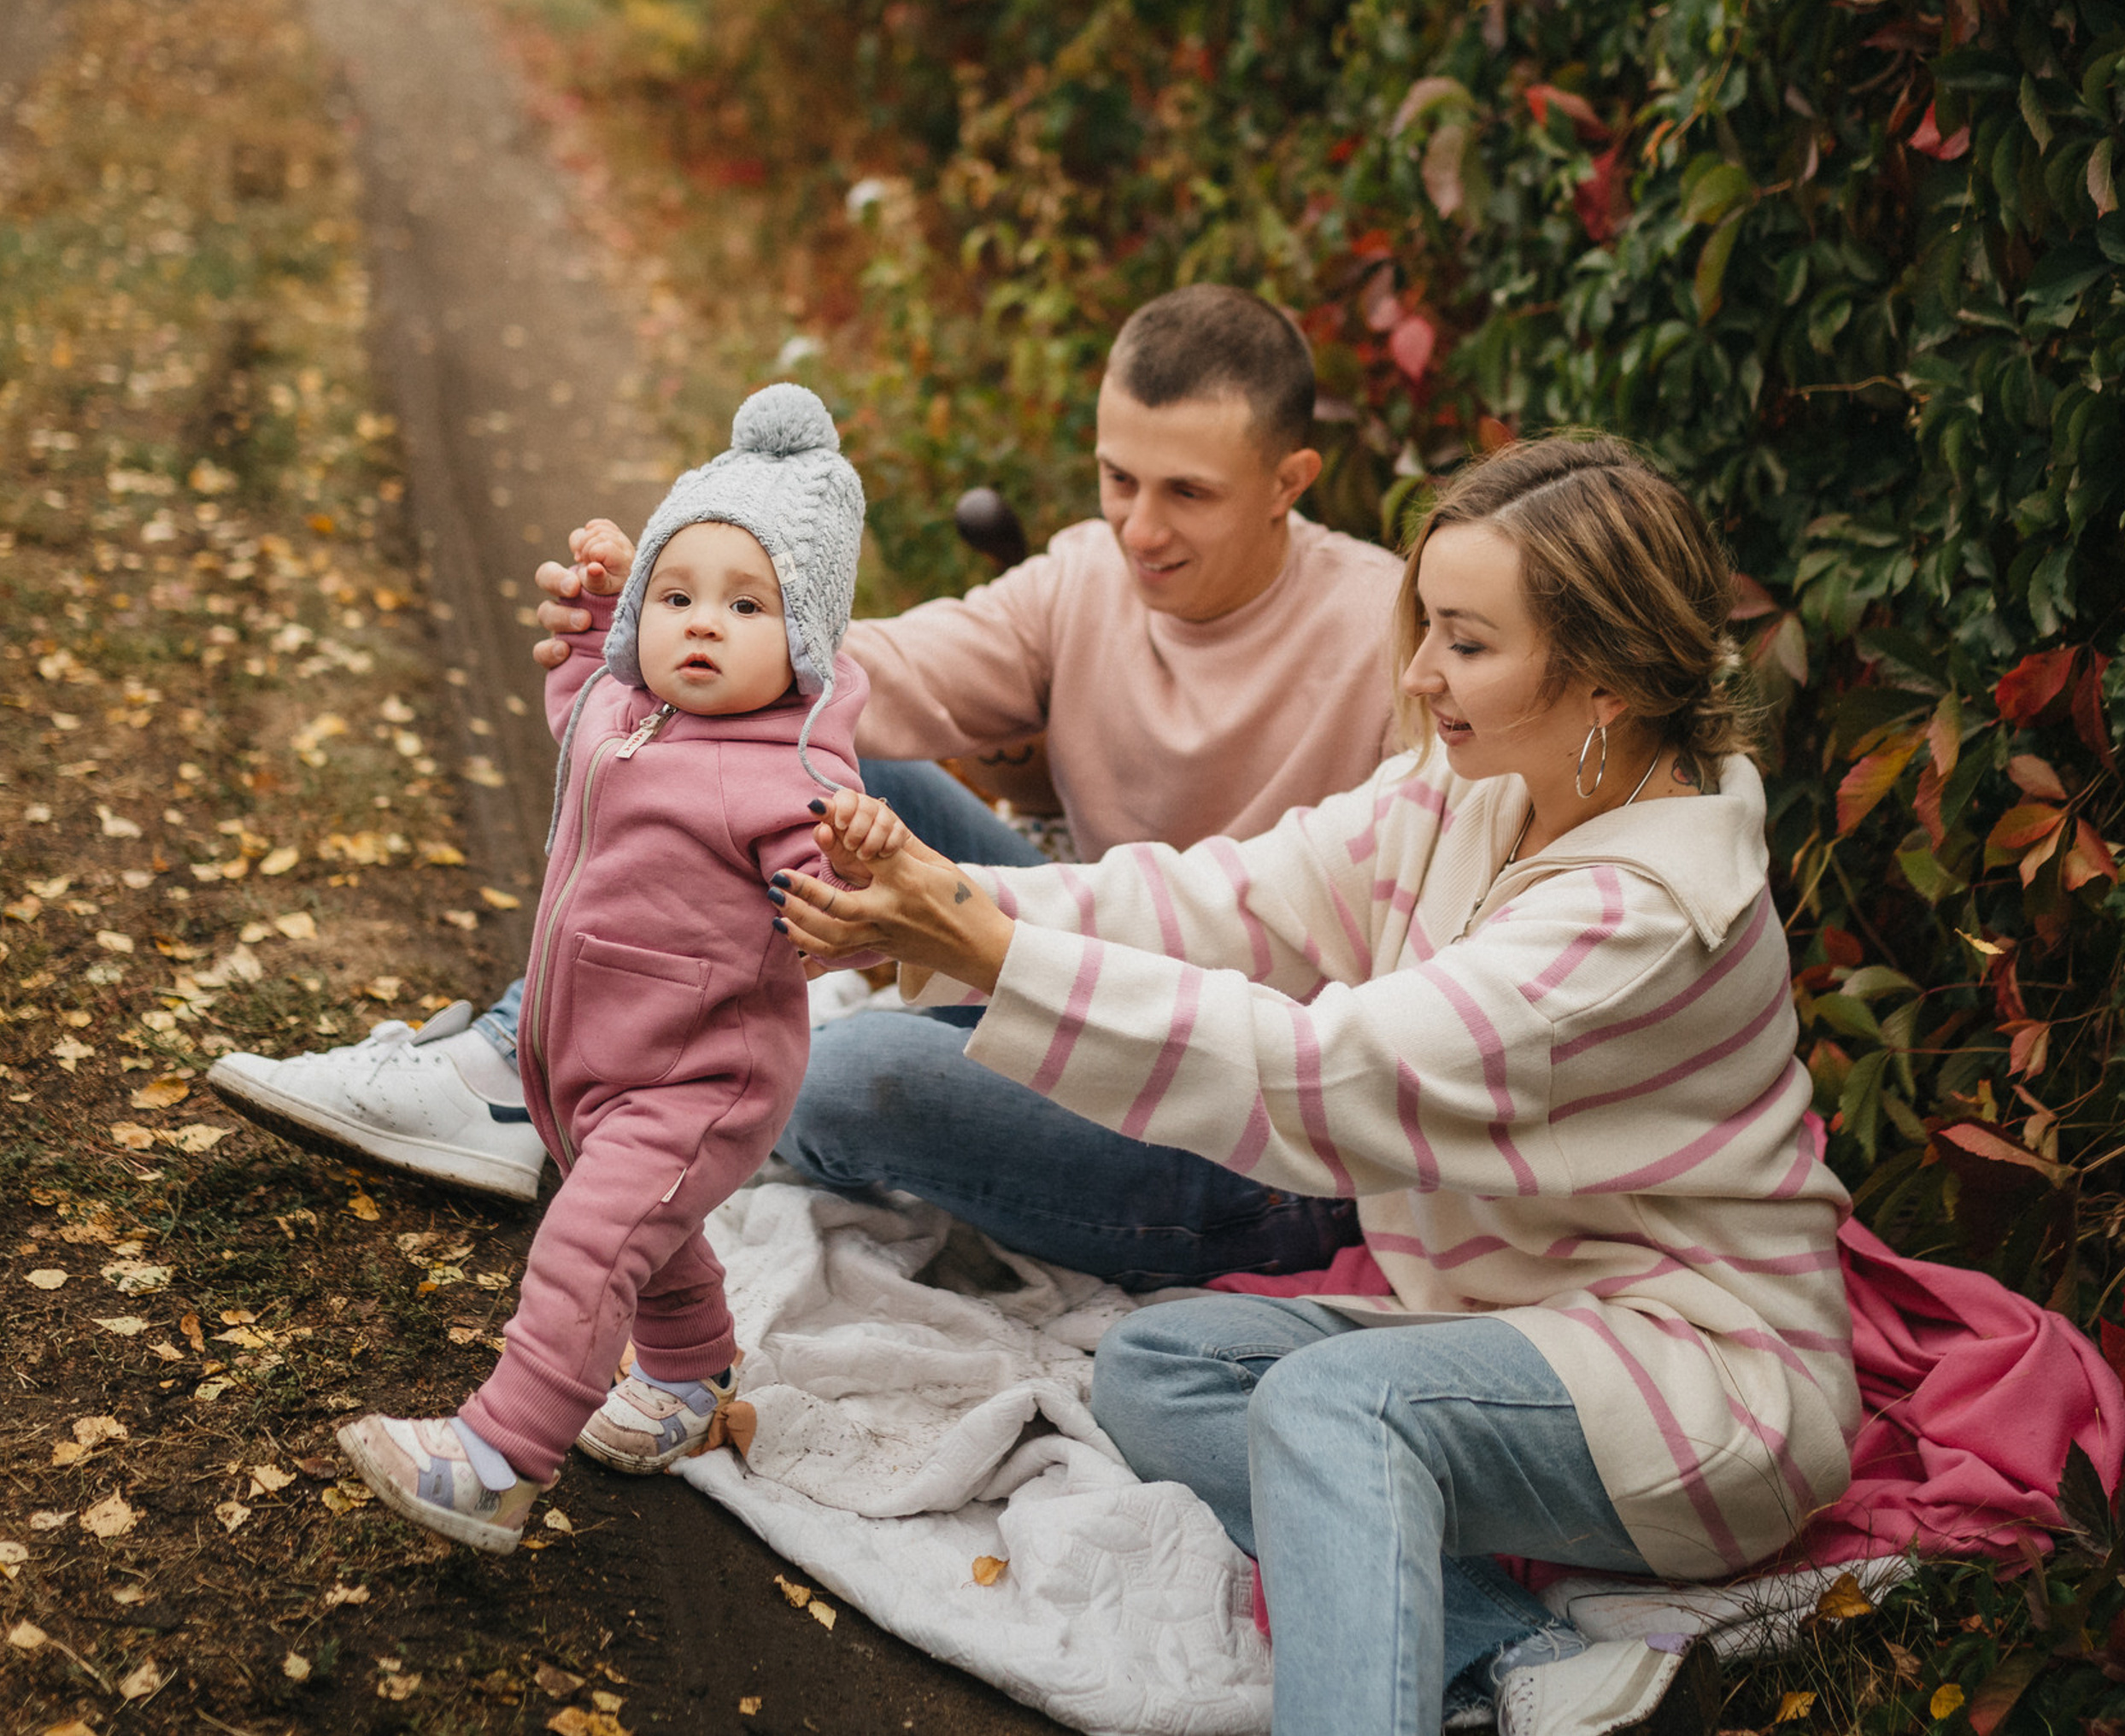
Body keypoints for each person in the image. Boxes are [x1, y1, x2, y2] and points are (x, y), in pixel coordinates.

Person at [770, 434, 1855, 1736]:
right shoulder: (1482, 787)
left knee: (1339, 1403)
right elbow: (1227, 901)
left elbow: (1327, 1076)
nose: (1417, 673)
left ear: (1609, 677)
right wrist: (950, 905)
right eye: (1428, 627)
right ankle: (1515, 1655)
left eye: (1465, 640)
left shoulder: (1643, 919)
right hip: (1512, 1320)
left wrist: (995, 958)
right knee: (1157, 1369)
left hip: (1692, 1381)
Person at [213, 286, 1404, 1286]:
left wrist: (968, 916)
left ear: (1291, 479)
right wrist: (687, 622)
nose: (1140, 529)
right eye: (1116, 478)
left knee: (836, 1077)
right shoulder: (1086, 576)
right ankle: (507, 1067)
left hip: (1235, 1094)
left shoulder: (1395, 635)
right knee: (815, 749)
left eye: (1186, 493)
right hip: (1063, 955)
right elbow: (862, 673)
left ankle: (593, 1082)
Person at [338, 387, 893, 1548]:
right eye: (676, 595)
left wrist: (858, 874)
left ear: (803, 643)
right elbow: (575, 697)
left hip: (701, 1077)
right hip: (594, 1055)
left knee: (587, 1242)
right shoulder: (625, 712)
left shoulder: (790, 775)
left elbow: (849, 915)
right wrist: (601, 615)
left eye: (746, 606)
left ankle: (497, 1455)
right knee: (651, 1235)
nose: (700, 623)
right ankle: (691, 1382)